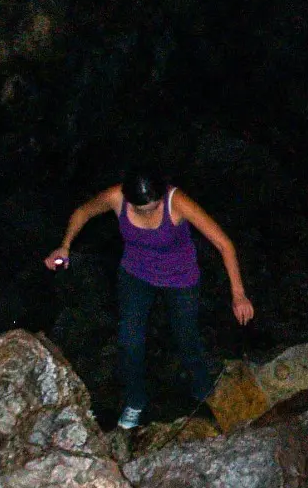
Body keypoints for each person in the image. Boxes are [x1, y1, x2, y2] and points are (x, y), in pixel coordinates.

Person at [45, 175, 254, 429]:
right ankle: (135, 400)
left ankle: (203, 391)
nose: (147, 213)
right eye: (140, 209)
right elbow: (83, 212)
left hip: (181, 279)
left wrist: (238, 295)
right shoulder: (116, 197)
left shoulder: (177, 202)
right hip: (136, 275)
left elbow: (224, 244)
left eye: (153, 207)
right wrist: (64, 246)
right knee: (129, 340)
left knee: (186, 338)